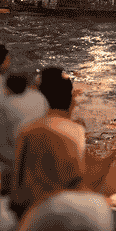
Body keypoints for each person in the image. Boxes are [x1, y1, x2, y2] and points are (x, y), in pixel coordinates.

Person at [12, 67, 86, 217]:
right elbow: (77, 180)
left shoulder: (26, 130)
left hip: (32, 212)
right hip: (65, 213)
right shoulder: (76, 131)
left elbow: (17, 191)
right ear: (70, 99)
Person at [0, 73, 48, 193]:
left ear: (7, 88)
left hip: (10, 160)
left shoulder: (4, 105)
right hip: (37, 156)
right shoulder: (39, 98)